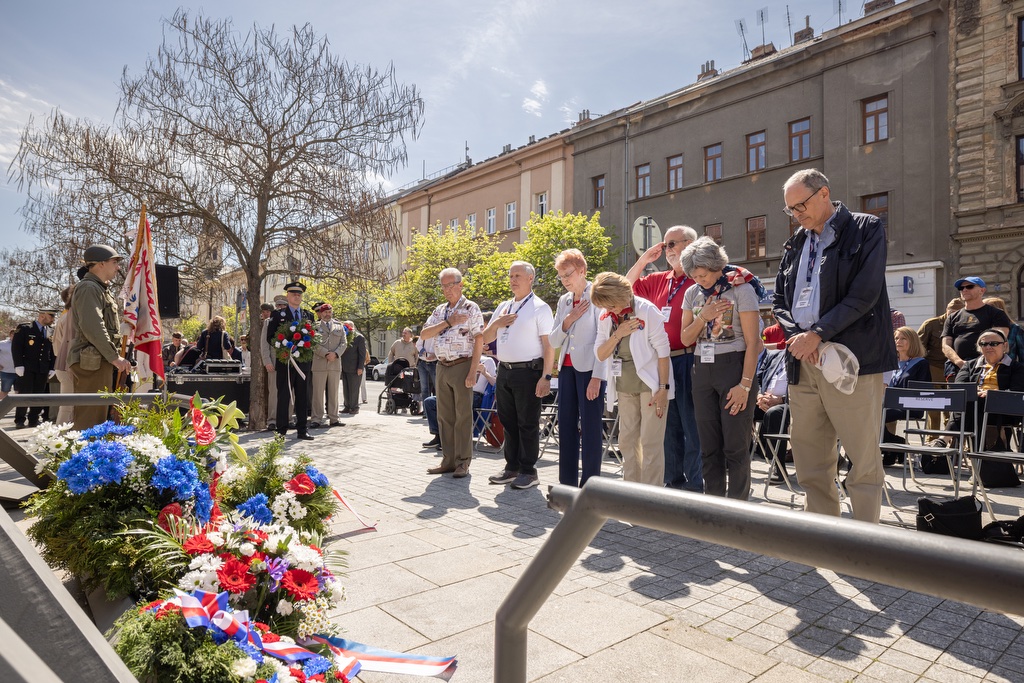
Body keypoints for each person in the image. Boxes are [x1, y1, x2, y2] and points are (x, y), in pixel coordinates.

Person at [773, 168, 897, 524]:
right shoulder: (796, 242)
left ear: (824, 193)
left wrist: (820, 333)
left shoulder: (866, 228)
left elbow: (865, 293)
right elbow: (779, 298)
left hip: (851, 359)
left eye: (801, 206)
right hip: (803, 359)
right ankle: (823, 533)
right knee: (810, 457)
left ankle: (864, 539)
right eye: (791, 210)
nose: (797, 215)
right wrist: (798, 335)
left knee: (862, 457)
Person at [679, 237, 763, 499]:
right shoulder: (692, 293)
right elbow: (685, 338)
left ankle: (737, 508)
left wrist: (745, 385)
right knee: (708, 444)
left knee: (735, 446)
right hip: (702, 370)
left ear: (716, 266)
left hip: (734, 368)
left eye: (702, 274)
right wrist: (703, 315)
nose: (698, 280)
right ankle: (713, 504)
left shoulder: (741, 289)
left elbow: (753, 343)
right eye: (693, 275)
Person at [626, 225, 701, 491]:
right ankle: (673, 480)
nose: (666, 250)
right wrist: (644, 260)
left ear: (689, 244)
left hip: (689, 358)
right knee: (668, 425)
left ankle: (695, 485)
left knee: (691, 422)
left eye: (672, 244)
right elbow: (626, 287)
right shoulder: (660, 279)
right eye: (665, 245)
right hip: (662, 361)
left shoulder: (699, 277)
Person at [591, 271, 672, 487]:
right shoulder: (606, 316)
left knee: (650, 442)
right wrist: (619, 333)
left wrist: (663, 388)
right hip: (624, 386)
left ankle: (652, 497)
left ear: (622, 296)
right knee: (627, 441)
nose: (608, 310)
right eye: (605, 306)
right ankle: (630, 493)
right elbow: (600, 353)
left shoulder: (646, 310)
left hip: (651, 386)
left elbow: (664, 352)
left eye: (611, 305)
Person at [484, 261, 555, 490]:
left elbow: (549, 346)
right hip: (505, 370)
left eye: (518, 276)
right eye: (511, 275)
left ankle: (528, 471)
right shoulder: (504, 306)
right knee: (508, 422)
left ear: (530, 278)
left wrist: (546, 377)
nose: (513, 280)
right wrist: (497, 323)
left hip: (529, 372)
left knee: (527, 423)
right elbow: (485, 338)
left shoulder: (540, 307)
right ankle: (511, 467)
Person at [548, 248, 609, 488]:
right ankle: (567, 484)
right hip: (566, 369)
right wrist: (569, 319)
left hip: (590, 371)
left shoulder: (597, 296)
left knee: (592, 428)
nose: (564, 280)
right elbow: (553, 341)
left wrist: (597, 377)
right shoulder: (564, 301)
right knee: (566, 425)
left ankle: (590, 486)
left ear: (582, 270)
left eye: (568, 274)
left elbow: (603, 341)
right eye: (561, 276)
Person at [421, 268, 485, 479]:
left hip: (462, 365)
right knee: (444, 417)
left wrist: (473, 370)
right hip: (442, 366)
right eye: (443, 286)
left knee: (463, 416)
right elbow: (424, 334)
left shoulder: (471, 307)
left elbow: (479, 339)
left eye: (451, 285)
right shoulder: (440, 310)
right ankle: (448, 460)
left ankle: (463, 462)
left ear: (460, 284)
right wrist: (448, 322)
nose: (447, 290)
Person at [68, 244, 133, 430]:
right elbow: (93, 326)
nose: (118, 267)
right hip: (93, 361)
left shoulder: (99, 288)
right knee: (91, 419)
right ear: (100, 264)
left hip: (98, 359)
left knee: (99, 417)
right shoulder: (89, 288)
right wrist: (114, 356)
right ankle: (81, 458)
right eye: (114, 262)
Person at [265, 281, 315, 441]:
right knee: (284, 396)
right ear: (288, 296)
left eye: (299, 294)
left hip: (303, 363)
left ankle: (302, 429)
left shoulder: (308, 315)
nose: (297, 296)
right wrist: (285, 346)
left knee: (302, 396)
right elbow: (270, 337)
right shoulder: (278, 315)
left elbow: (313, 337)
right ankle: (281, 430)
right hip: (285, 362)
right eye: (293, 294)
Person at [881, 327, 932, 467]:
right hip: (889, 405)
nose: (899, 341)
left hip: (911, 405)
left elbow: (922, 390)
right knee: (867, 414)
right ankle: (894, 445)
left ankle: (894, 445)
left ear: (913, 341)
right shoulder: (892, 363)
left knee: (876, 415)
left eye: (903, 338)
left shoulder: (921, 363)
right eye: (896, 338)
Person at [941, 277, 1011, 379]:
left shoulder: (996, 314)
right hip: (957, 367)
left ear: (982, 290)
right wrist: (959, 362)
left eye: (970, 286)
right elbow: (945, 346)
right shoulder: (952, 317)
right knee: (957, 395)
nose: (964, 290)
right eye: (961, 288)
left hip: (986, 368)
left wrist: (976, 364)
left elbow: (997, 343)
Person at [917, 298, 965, 431]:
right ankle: (932, 437)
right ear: (946, 310)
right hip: (934, 367)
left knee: (952, 405)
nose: (954, 315)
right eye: (951, 312)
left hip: (955, 369)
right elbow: (918, 346)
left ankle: (951, 437)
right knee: (933, 405)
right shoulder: (931, 324)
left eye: (957, 313)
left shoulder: (964, 325)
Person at [12, 307, 57, 428]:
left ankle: (33, 419)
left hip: (43, 368)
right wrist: (18, 365)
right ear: (42, 315)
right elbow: (16, 347)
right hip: (27, 367)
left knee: (38, 395)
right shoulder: (25, 328)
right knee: (24, 394)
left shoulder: (51, 331)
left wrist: (53, 367)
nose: (53, 319)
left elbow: (52, 351)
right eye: (51, 316)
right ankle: (20, 420)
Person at [311, 303, 347, 428]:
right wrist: (325, 353)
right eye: (325, 312)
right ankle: (316, 418)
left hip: (335, 364)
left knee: (334, 392)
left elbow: (344, 343)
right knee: (318, 393)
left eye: (329, 312)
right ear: (320, 313)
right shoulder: (314, 327)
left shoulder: (339, 326)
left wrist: (335, 354)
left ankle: (334, 418)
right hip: (319, 363)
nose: (327, 314)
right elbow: (312, 343)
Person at [52, 286, 77, 425]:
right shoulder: (68, 316)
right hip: (67, 366)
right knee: (68, 406)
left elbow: (56, 348)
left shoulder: (65, 315)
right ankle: (59, 440)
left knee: (70, 406)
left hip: (64, 365)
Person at [982, 297, 1024, 363]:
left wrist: (1019, 372)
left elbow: (1022, 354)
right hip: (983, 370)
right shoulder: (980, 328)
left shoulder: (1015, 329)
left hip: (1009, 370)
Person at [340, 321, 367, 415]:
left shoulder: (359, 337)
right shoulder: (343, 336)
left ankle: (354, 407)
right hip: (344, 366)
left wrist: (360, 367)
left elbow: (362, 354)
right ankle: (347, 406)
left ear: (352, 327)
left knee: (354, 389)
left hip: (355, 367)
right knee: (346, 388)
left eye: (346, 326)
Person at [416, 335, 438, 400]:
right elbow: (418, 344)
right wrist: (424, 352)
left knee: (438, 388)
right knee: (424, 389)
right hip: (422, 362)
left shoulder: (441, 330)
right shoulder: (426, 330)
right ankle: (426, 409)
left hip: (434, 363)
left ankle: (437, 409)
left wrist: (435, 354)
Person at [0, 329, 15, 400]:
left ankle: (19, 410)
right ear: (10, 335)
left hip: (20, 373)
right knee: (4, 391)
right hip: (6, 372)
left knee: (19, 392)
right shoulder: (2, 344)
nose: (14, 336)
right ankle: (2, 410)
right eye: (13, 334)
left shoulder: (22, 344)